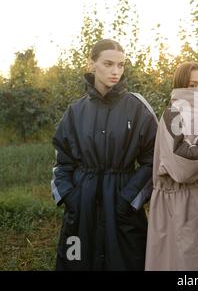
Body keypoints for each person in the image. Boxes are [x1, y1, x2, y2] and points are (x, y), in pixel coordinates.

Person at [51, 38, 158, 270]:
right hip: (82, 207)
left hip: (121, 206)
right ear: (92, 64)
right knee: (76, 261)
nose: (115, 71)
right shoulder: (75, 111)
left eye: (120, 65)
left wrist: (128, 199)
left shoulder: (138, 108)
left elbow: (154, 161)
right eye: (108, 64)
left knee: (127, 263)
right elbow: (62, 163)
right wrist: (71, 198)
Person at [145, 62, 198, 270]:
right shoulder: (173, 115)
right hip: (183, 213)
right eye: (193, 85)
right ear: (180, 87)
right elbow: (184, 167)